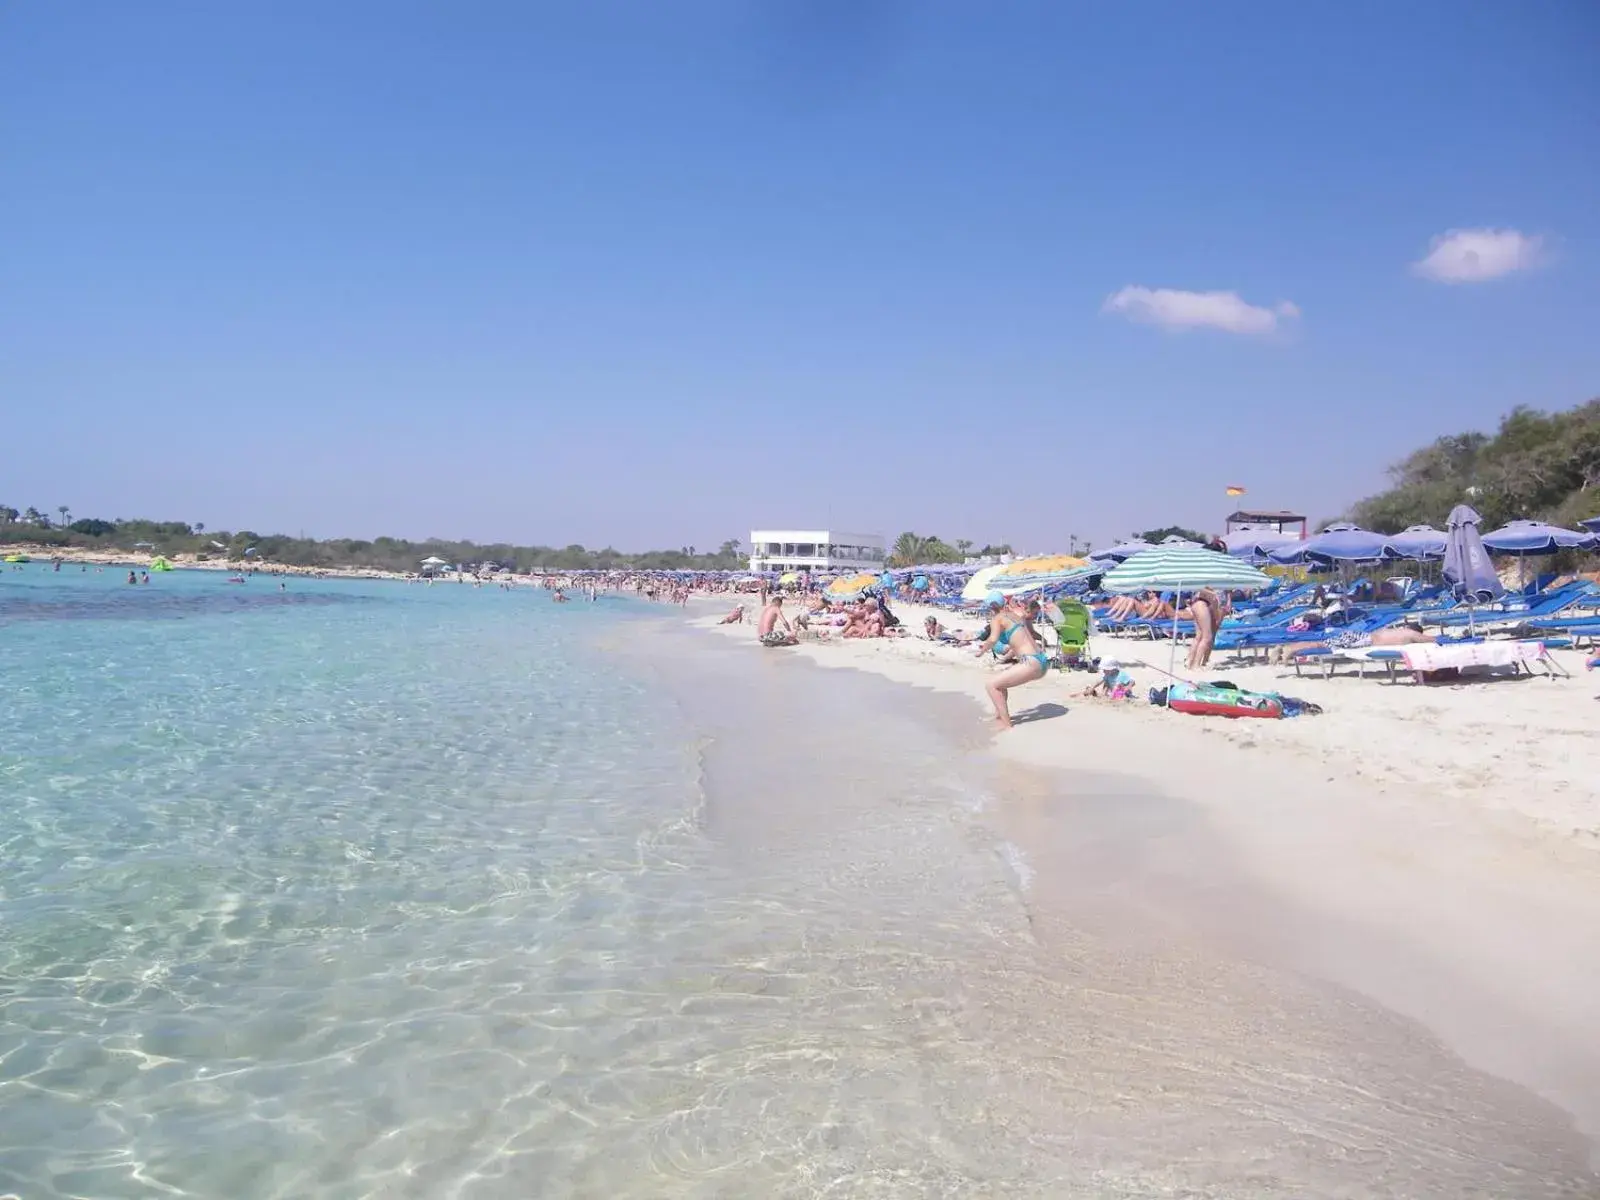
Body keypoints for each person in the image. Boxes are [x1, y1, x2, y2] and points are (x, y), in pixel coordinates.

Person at [973, 592, 1048, 729]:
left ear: (991, 607)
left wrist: (981, 651)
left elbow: (993, 639)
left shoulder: (997, 618)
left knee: (991, 686)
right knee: (1000, 683)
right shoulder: (1016, 615)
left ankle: (1007, 725)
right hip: (1041, 660)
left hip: (1030, 662)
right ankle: (999, 716)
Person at [1185, 586, 1224, 669]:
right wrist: (1214, 594)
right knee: (1207, 637)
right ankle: (1195, 665)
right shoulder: (1213, 586)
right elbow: (1213, 600)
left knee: (1199, 636)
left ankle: (1190, 661)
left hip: (1198, 603)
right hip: (1201, 605)